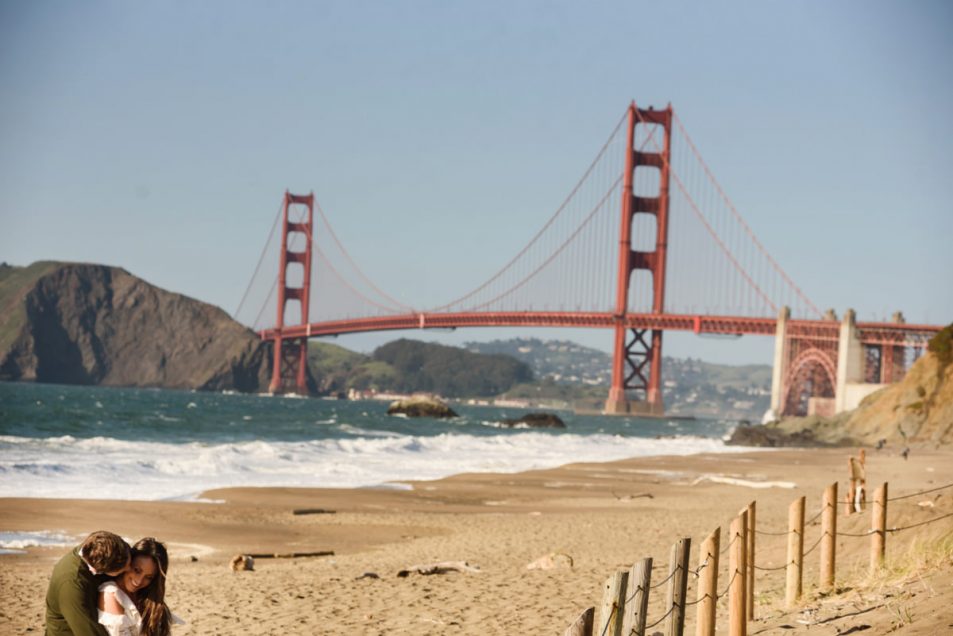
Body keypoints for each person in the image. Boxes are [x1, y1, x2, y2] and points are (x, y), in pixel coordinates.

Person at [46, 530, 131, 636]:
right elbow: (88, 631)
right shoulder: (72, 584)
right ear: (104, 570)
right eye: (123, 570)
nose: (129, 569)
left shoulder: (95, 548)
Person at [97, 538, 182, 636]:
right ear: (128, 564)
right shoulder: (111, 594)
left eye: (149, 577)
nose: (139, 581)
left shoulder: (147, 597)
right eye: (137, 570)